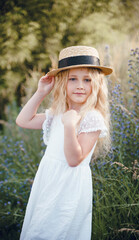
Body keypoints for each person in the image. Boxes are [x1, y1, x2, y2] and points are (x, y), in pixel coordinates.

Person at [16, 45, 113, 240]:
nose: (80, 85)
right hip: (49, 182)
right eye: (73, 79)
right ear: (62, 83)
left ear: (96, 84)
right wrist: (41, 92)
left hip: (68, 187)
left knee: (59, 230)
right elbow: (23, 121)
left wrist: (70, 125)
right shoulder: (57, 114)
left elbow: (73, 159)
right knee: (40, 228)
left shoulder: (92, 118)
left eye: (87, 80)